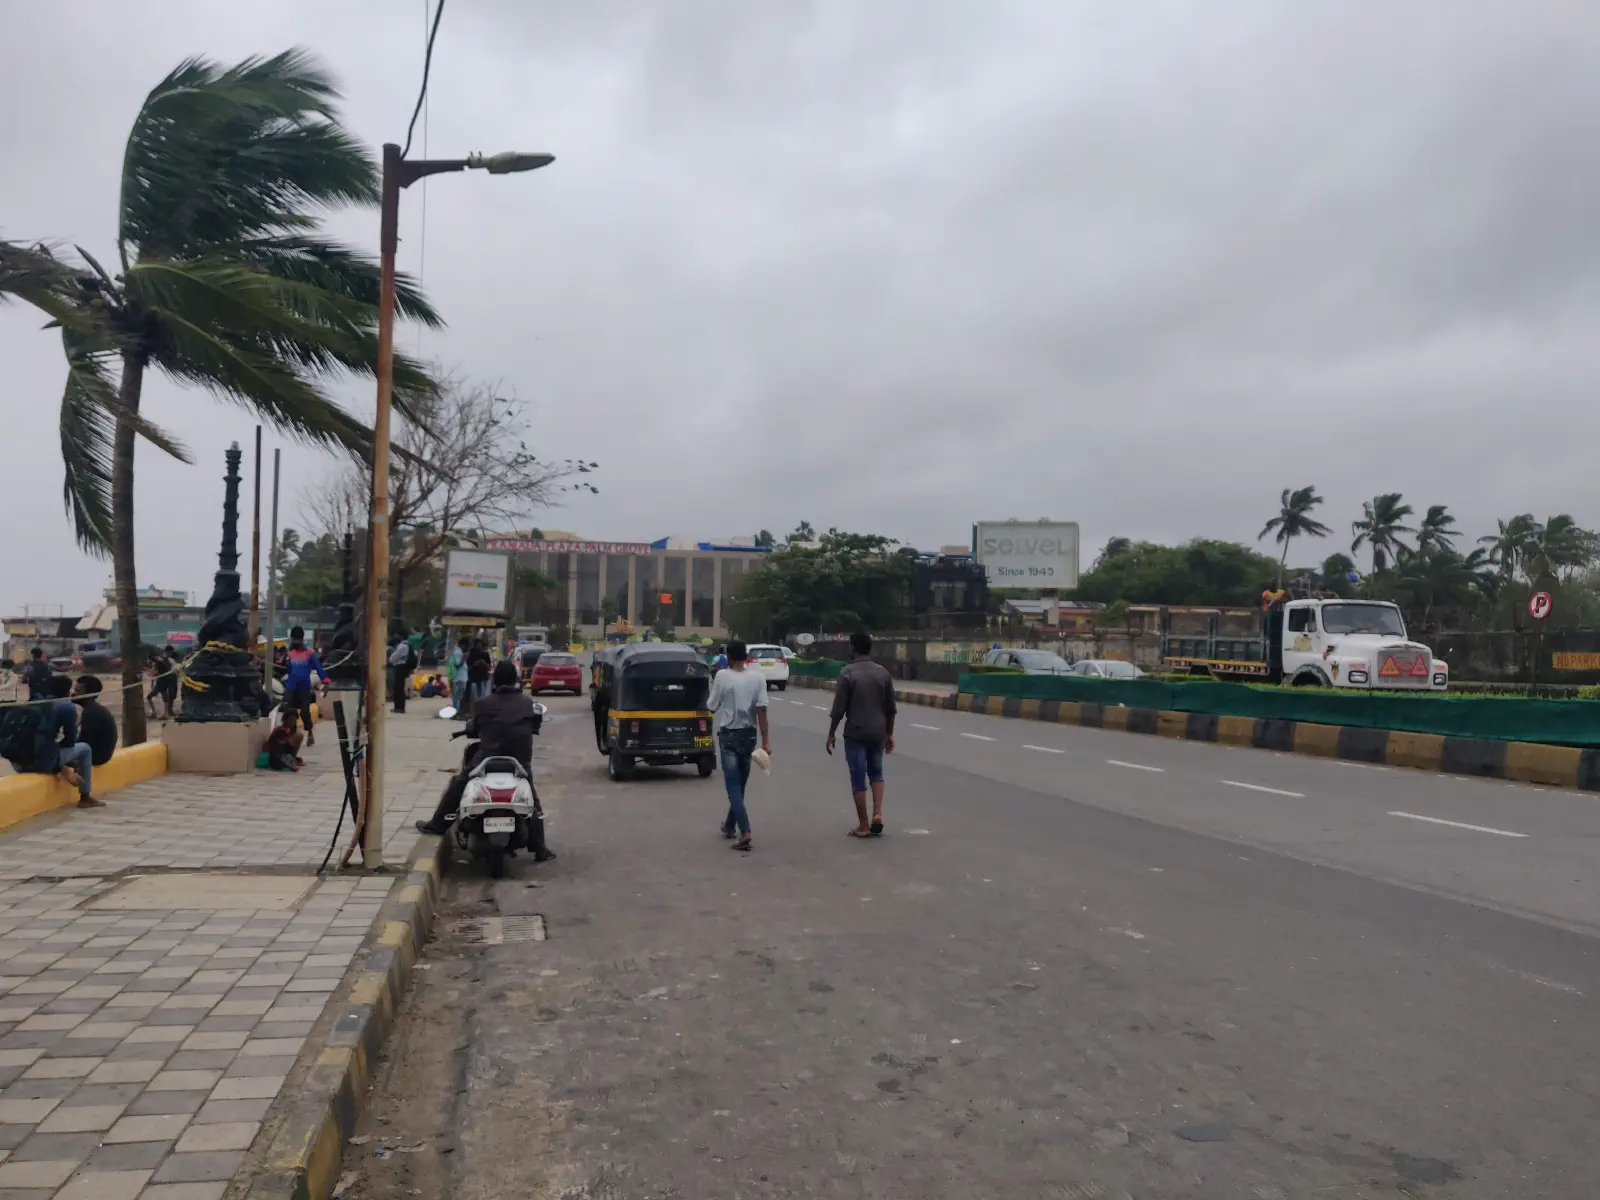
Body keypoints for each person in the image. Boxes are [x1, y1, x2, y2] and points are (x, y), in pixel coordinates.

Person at [414, 660, 555, 861]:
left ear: (494, 679)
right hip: (519, 761)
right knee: (532, 799)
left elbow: (474, 727)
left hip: (487, 758)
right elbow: (536, 724)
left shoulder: (482, 704)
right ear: (515, 680)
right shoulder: (527, 704)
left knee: (459, 783)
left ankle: (437, 825)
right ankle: (540, 848)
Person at [827, 631, 898, 838]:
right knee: (876, 772)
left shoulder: (847, 673)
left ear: (853, 648)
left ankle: (864, 825)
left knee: (858, 777)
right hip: (878, 732)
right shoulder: (883, 673)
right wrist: (889, 733)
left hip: (856, 733)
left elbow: (839, 708)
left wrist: (831, 733)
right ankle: (877, 813)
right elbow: (891, 708)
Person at [704, 640, 770, 852]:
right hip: (749, 737)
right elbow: (762, 711)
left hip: (729, 737)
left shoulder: (723, 676)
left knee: (733, 786)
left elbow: (712, 706)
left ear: (729, 658)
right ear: (746, 657)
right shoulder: (758, 677)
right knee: (740, 785)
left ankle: (746, 831)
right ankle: (730, 825)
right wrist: (766, 740)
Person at [39, 675, 101, 808]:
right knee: (85, 749)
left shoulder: (35, 702)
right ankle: (85, 797)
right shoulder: (66, 707)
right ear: (68, 691)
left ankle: (63, 768)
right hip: (43, 760)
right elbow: (70, 741)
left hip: (20, 761)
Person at [282, 627, 328, 745]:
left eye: (297, 640)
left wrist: (325, 681)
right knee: (291, 713)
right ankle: (292, 736)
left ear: (302, 640)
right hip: (291, 687)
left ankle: (310, 733)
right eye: (294, 640)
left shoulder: (310, 653)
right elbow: (289, 670)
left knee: (304, 713)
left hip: (304, 687)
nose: (296, 643)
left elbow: (319, 668)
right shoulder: (290, 654)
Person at [70, 676, 119, 767]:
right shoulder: (94, 708)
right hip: (102, 754)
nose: (73, 694)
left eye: (78, 691)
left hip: (97, 757)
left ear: (88, 693)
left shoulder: (91, 712)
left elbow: (85, 742)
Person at [264, 707, 305, 771]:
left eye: (294, 720)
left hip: (283, 755)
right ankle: (291, 762)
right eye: (290, 719)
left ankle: (292, 760)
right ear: (285, 719)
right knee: (298, 736)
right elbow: (276, 750)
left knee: (299, 736)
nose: (292, 722)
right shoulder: (279, 731)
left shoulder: (290, 730)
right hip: (276, 759)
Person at [389, 634, 410, 714]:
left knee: (398, 688)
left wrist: (390, 658)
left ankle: (399, 707)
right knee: (399, 687)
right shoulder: (406, 645)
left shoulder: (402, 647)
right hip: (402, 667)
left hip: (400, 667)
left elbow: (393, 658)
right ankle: (399, 707)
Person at [450, 638, 469, 711]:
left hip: (459, 677)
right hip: (459, 677)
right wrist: (464, 658)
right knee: (457, 696)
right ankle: (455, 711)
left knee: (457, 696)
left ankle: (455, 711)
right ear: (463, 645)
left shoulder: (458, 651)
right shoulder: (458, 652)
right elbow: (457, 665)